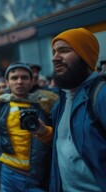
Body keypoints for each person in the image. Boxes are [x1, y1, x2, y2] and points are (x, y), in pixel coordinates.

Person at [34, 28, 105, 191]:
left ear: (85, 55)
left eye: (64, 51)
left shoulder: (101, 95)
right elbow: (78, 143)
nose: (54, 58)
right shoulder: (61, 101)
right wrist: (46, 134)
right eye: (54, 52)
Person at [0, 62, 58, 191]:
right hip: (8, 173)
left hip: (39, 177)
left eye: (24, 77)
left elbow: (58, 138)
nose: (19, 82)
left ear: (31, 82)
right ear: (7, 83)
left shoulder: (46, 106)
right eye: (14, 78)